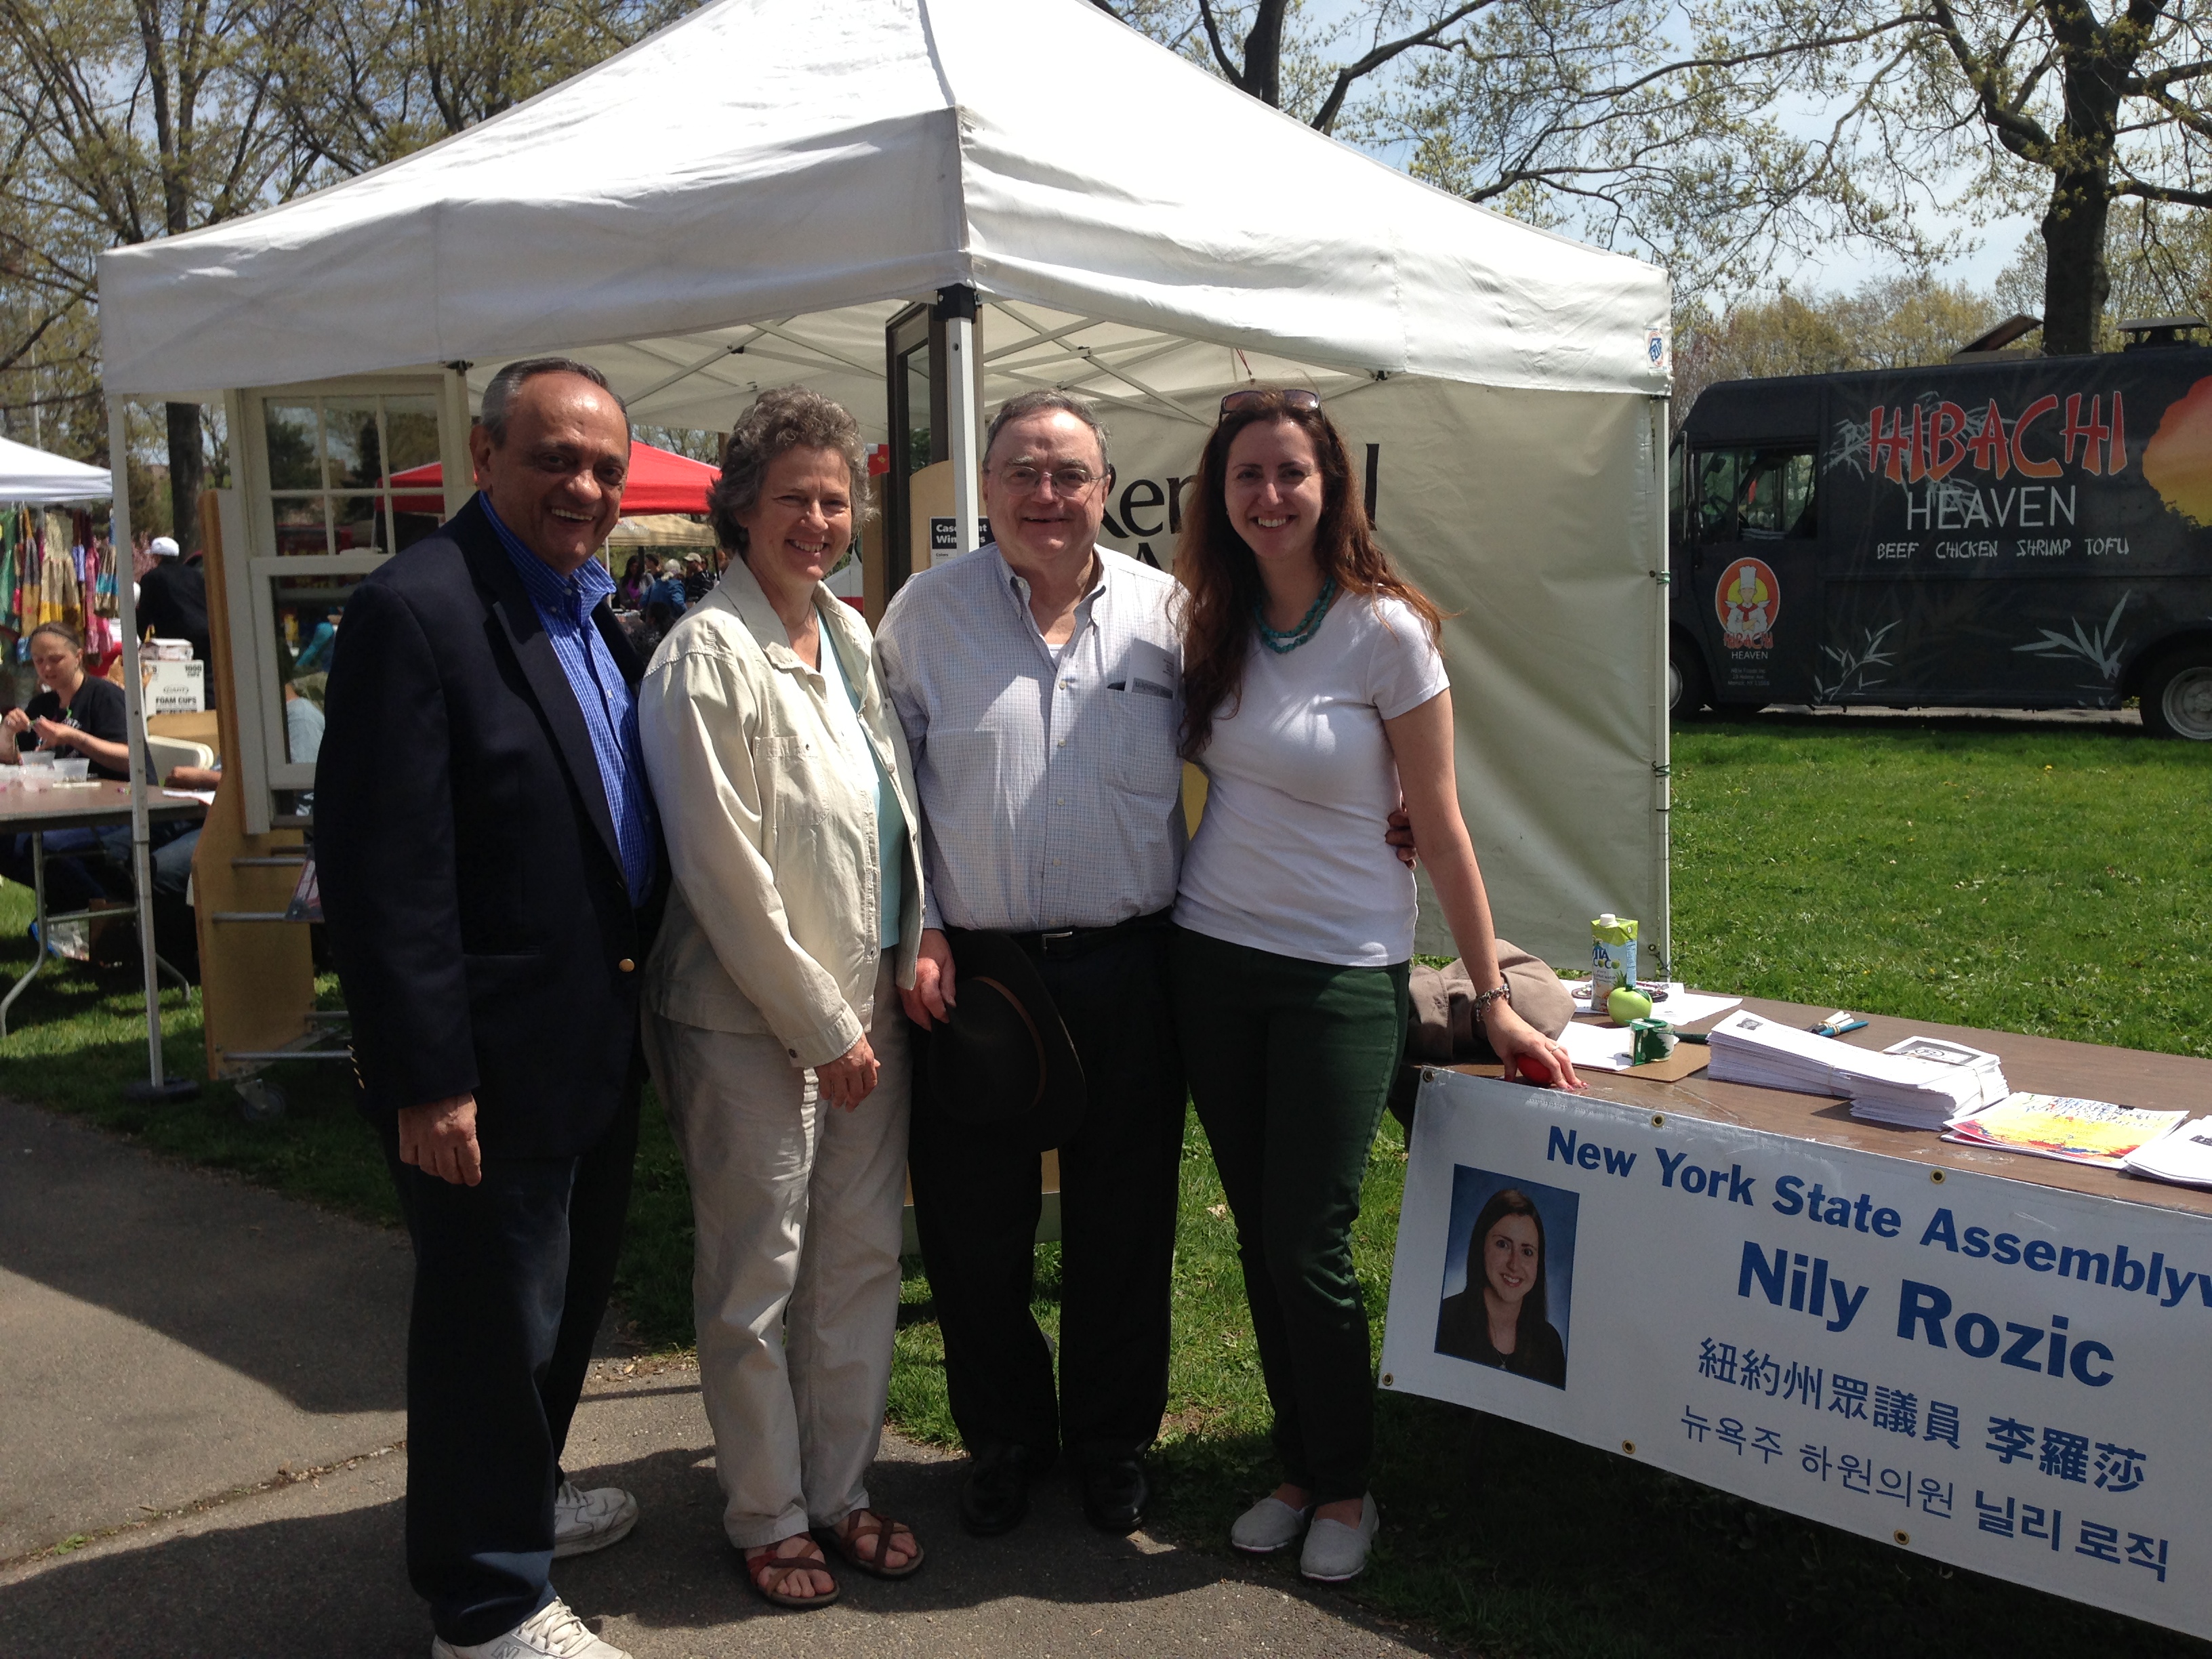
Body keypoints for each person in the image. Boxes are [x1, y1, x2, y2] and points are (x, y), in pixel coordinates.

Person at [1166, 388, 1581, 1584]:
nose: (1268, 495)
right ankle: (1295, 1468)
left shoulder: (1386, 629)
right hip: (1210, 959)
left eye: (1289, 472)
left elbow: (1440, 825)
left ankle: (1346, 1483)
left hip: (1340, 974)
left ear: (1329, 484)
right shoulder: (1213, 616)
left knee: (1307, 1237)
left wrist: (1494, 993)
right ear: (1220, 493)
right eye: (1245, 475)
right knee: (1258, 1232)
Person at [316, 357, 663, 1659]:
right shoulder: (415, 610)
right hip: (484, 1061)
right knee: (485, 1327)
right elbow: (381, 871)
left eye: (603, 468)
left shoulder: (592, 611)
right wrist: (427, 1075)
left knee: (562, 1310)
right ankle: (486, 1599)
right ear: (484, 455)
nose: (582, 485)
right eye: (553, 457)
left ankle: (523, 1501)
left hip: (592, 1035)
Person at [636, 386, 927, 1610]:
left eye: (832, 496)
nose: (817, 517)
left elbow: (894, 813)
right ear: (739, 509)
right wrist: (825, 1023)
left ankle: (840, 1486)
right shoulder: (702, 654)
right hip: (749, 1021)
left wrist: (920, 942)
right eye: (793, 496)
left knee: (859, 1259)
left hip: (870, 1002)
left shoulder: (849, 635)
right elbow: (723, 873)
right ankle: (764, 1507)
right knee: (759, 1270)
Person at [0, 622, 145, 920]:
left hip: (116, 807)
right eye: (39, 661)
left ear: (78, 656)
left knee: (42, 845)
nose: (46, 669)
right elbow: (18, 761)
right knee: (6, 843)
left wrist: (72, 737)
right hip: (62, 807)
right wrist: (7, 734)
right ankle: (78, 909)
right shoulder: (43, 703)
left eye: (55, 659)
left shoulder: (104, 696)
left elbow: (133, 758)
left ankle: (106, 913)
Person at [1433, 1187, 1566, 1385]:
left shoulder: (1550, 1344)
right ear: (1481, 1246)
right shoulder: (1443, 1322)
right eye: (1503, 1245)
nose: (1514, 1264)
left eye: (1527, 1252)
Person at [136, 533, 213, 667]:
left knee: (179, 679)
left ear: (157, 557)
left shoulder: (152, 578)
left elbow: (144, 613)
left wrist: (137, 640)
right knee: (206, 677)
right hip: (205, 632)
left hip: (176, 638)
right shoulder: (195, 575)